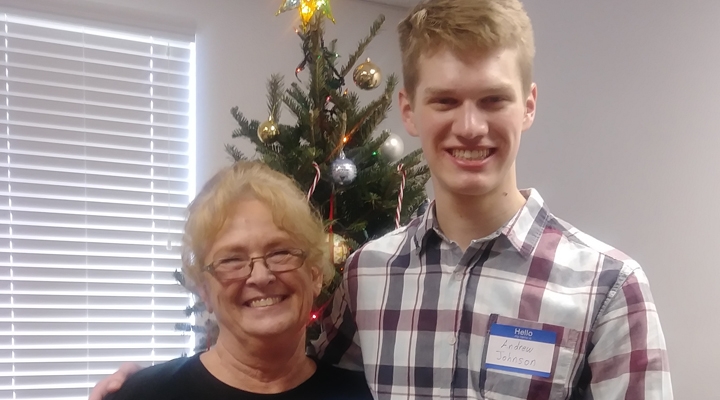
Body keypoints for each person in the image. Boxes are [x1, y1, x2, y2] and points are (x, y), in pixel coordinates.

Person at [90, 0, 673, 399]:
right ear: (409, 111)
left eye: (493, 100)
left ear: (528, 105)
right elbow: (277, 364)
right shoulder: (369, 275)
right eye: (444, 100)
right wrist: (153, 384)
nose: (470, 127)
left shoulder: (607, 287)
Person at [100, 161, 372, 400]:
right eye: (231, 260)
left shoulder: (364, 395)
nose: (261, 276)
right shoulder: (142, 395)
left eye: (280, 252)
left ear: (315, 275)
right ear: (204, 290)